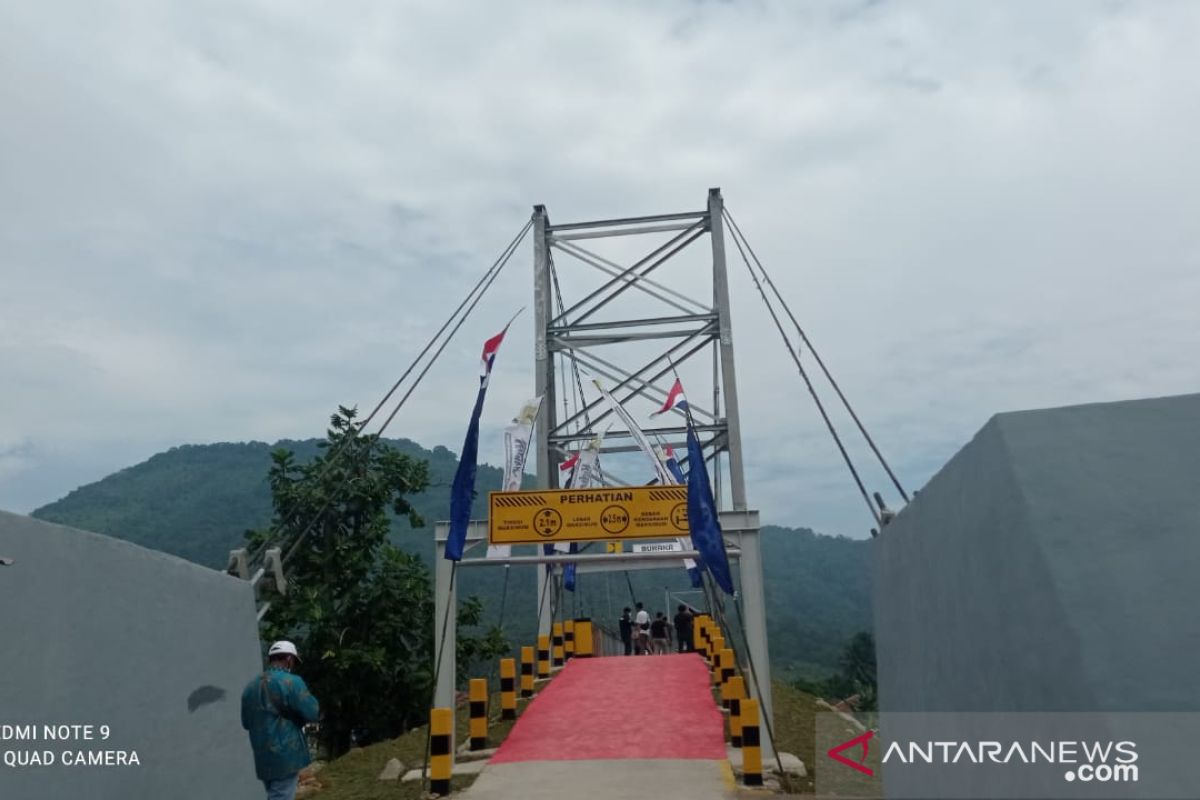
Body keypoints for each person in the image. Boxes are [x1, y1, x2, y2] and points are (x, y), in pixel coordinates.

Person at [241, 640, 321, 800]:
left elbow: (246, 723)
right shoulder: (291, 682)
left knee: (275, 794)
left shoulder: (250, 687)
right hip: (286, 754)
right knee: (281, 797)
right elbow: (313, 712)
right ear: (290, 659)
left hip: (262, 756)